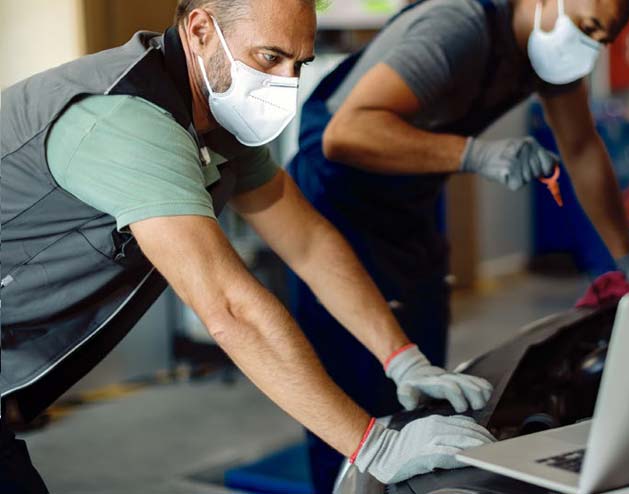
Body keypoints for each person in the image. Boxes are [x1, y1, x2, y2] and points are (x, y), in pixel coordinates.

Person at [0, 1, 496, 492]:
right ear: (200, 30)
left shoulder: (215, 118)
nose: (286, 82)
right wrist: (374, 446)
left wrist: (402, 358)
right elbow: (230, 308)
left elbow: (308, 242)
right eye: (269, 57)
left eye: (298, 64)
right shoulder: (126, 121)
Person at [288, 0, 629, 490]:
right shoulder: (457, 28)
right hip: (339, 201)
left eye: (603, 39)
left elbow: (580, 148)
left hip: (409, 204)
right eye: (587, 28)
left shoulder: (550, 55)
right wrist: (475, 154)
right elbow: (346, 134)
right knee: (352, 395)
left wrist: (626, 259)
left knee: (424, 383)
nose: (592, 48)